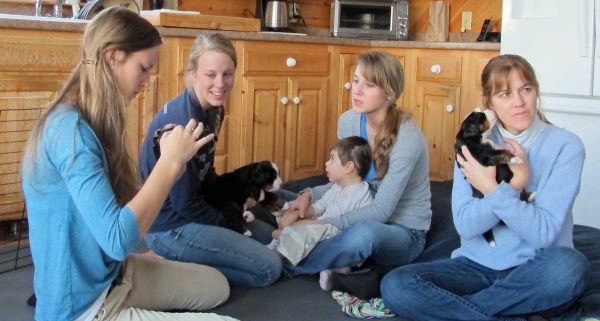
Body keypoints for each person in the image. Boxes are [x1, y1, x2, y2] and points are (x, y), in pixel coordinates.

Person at [22, 7, 258, 321]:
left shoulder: (94, 119)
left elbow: (111, 232)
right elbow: (118, 238)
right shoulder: (70, 134)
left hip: (116, 277)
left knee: (216, 286)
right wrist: (170, 163)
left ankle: (139, 315)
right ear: (112, 58)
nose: (148, 79)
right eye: (144, 68)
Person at [381, 54, 598, 321]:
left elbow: (545, 234)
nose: (519, 102)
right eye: (505, 94)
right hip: (473, 267)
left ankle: (459, 311)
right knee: (396, 285)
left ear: (536, 92)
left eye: (526, 89)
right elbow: (467, 226)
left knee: (570, 267)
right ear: (489, 103)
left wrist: (492, 189)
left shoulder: (566, 145)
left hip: (535, 270)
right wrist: (512, 186)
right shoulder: (471, 147)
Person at [138, 32, 282, 288]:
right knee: (269, 268)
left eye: (227, 74)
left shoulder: (214, 109)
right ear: (193, 73)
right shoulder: (185, 124)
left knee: (267, 233)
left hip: (197, 206)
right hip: (170, 226)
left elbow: (204, 172)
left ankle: (194, 257)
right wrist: (228, 221)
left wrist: (235, 202)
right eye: (210, 75)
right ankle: (169, 265)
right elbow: (184, 204)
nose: (220, 83)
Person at [285, 51, 432, 296]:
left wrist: (316, 224)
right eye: (355, 81)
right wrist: (308, 194)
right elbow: (347, 181)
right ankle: (326, 257)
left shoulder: (408, 138)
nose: (357, 90)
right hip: (358, 204)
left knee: (362, 235)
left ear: (390, 92)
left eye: (369, 84)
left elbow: (380, 213)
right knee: (287, 197)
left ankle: (285, 262)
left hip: (403, 231)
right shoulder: (348, 122)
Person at [270, 136, 373, 270]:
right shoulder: (338, 186)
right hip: (327, 223)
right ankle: (280, 241)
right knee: (289, 214)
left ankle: (278, 253)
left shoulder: (357, 192)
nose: (326, 163)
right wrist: (301, 213)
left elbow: (329, 220)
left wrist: (296, 225)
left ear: (348, 167)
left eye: (332, 159)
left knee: (305, 232)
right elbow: (322, 204)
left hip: (338, 231)